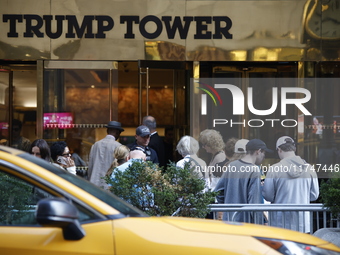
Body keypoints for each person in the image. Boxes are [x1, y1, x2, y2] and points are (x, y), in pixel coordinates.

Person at [262, 136, 319, 233]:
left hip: (279, 223)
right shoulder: (309, 168)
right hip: (302, 223)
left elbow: (268, 196)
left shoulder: (274, 169)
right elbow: (314, 196)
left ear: (279, 150)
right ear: (294, 149)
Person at [214, 139, 272, 223]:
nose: (264, 157)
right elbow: (254, 202)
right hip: (246, 222)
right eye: (264, 153)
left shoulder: (231, 165)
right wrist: (259, 223)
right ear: (258, 151)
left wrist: (228, 206)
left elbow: (218, 191)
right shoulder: (254, 170)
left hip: (229, 219)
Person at [88, 121, 124, 188]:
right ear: (117, 132)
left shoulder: (95, 145)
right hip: (109, 185)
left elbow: (90, 166)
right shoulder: (118, 146)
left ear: (107, 131)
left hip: (94, 183)